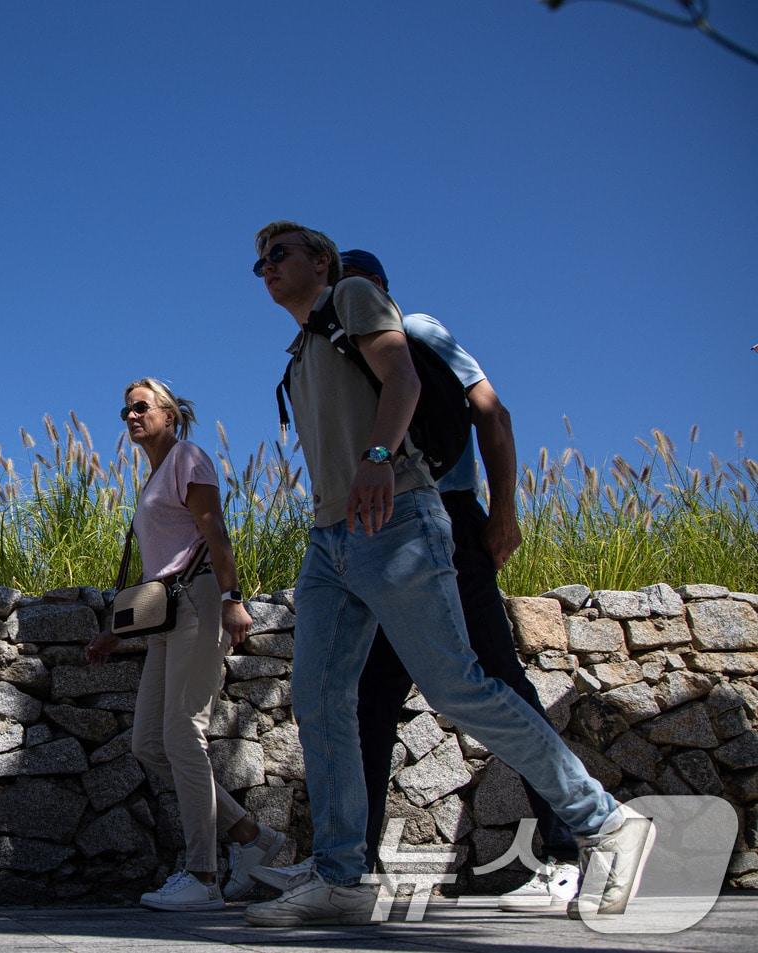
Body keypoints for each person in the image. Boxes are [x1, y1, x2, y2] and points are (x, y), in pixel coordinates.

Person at [240, 221, 653, 927]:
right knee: (321, 699)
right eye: (259, 263)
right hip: (329, 541)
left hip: (398, 514)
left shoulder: (357, 296)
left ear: (321, 260)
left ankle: (606, 822)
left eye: (279, 254)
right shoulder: (301, 351)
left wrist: (378, 454)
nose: (266, 269)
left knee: (460, 685)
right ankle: (342, 875)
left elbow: (402, 375)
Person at [86, 378, 286, 911]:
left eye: (141, 406)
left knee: (182, 735)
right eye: (124, 408)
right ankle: (254, 840)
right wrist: (115, 630)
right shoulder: (153, 476)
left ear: (170, 414)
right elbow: (160, 566)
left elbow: (214, 531)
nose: (130, 415)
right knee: (148, 743)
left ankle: (203, 876)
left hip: (199, 605)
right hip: (165, 616)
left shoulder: (187, 458)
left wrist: (232, 597)